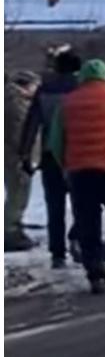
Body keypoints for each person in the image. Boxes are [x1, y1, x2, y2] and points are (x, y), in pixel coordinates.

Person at [47, 59, 105, 294]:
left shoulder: (67, 103)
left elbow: (56, 141)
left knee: (88, 224)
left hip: (80, 173)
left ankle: (94, 275)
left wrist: (66, 165)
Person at [20, 48, 82, 267]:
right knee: (81, 203)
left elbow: (32, 124)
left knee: (54, 206)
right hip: (77, 154)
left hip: (50, 154)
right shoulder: (81, 89)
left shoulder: (44, 90)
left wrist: (25, 153)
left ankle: (57, 253)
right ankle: (77, 237)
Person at [5, 71, 41, 251]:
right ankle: (10, 230)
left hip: (14, 155)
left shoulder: (14, 100)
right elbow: (19, 131)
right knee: (18, 193)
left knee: (18, 192)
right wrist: (25, 154)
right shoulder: (15, 102)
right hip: (15, 157)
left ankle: (13, 225)